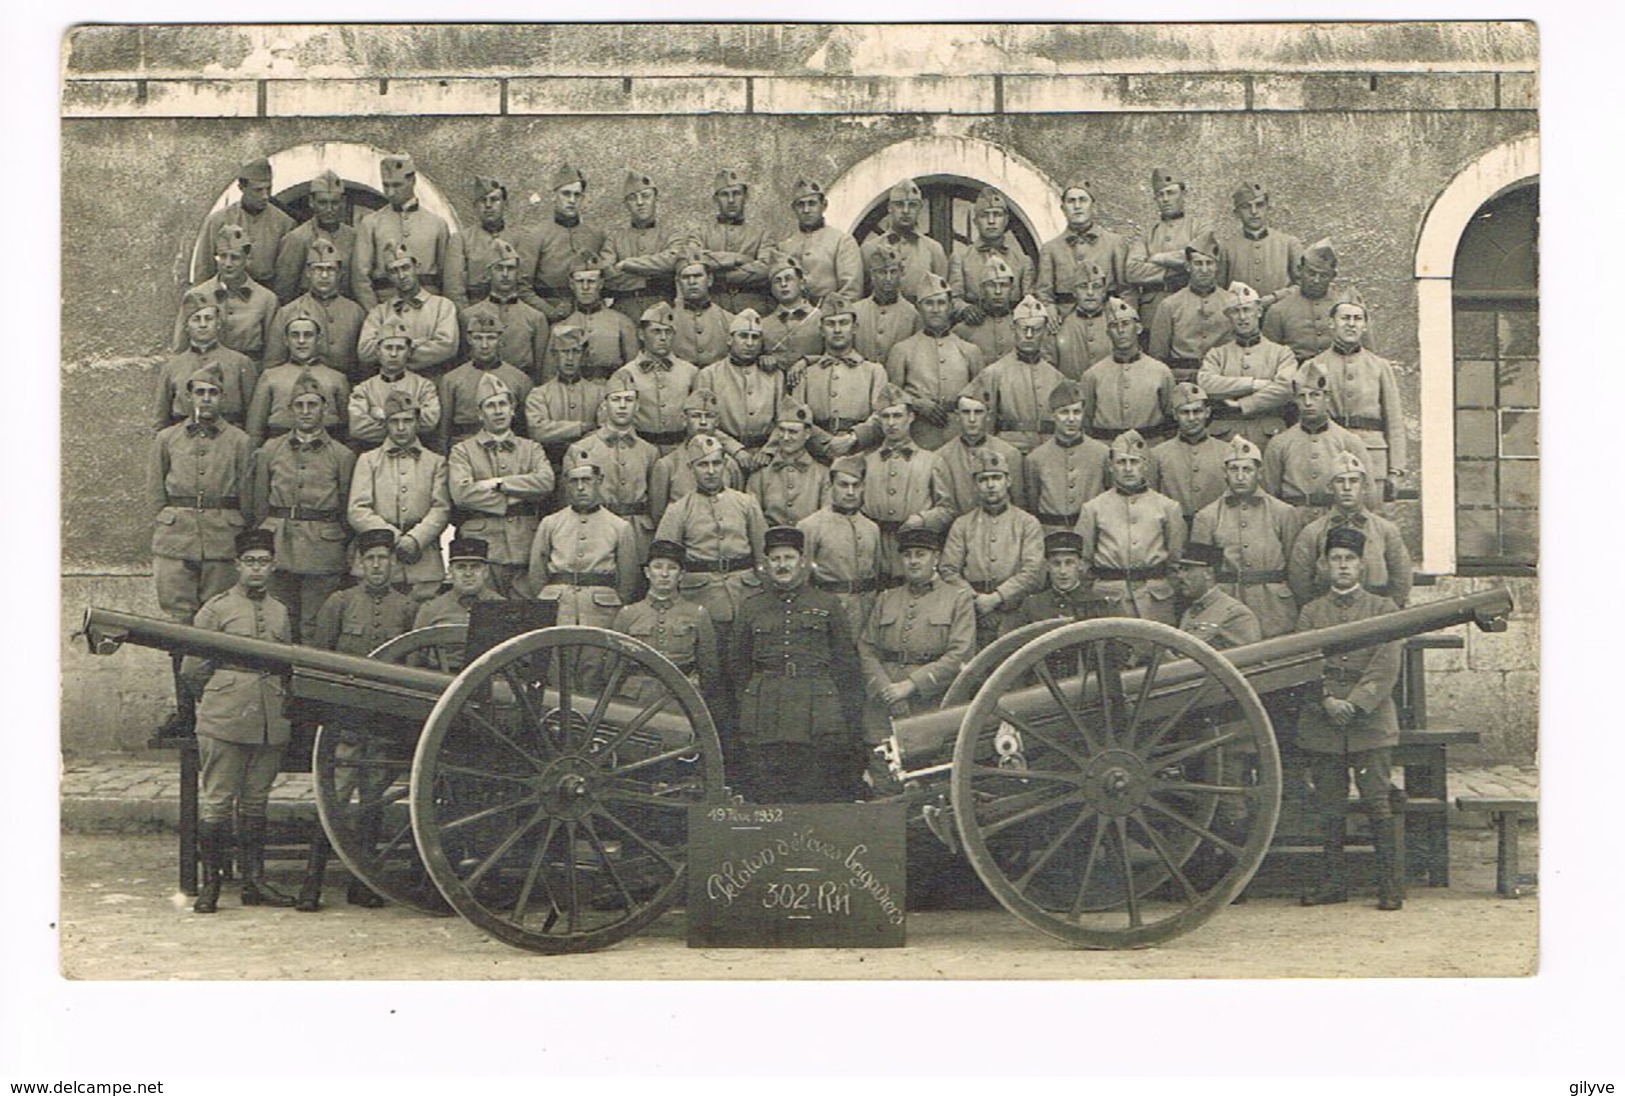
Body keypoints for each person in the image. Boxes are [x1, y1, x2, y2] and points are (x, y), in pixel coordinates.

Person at [298, 527, 416, 912]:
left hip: (382, 722)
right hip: (344, 723)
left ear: (394, 564)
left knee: (371, 802)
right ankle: (312, 881)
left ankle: (362, 882)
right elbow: (320, 659)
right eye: (370, 560)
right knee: (334, 798)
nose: (378, 566)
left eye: (384, 559)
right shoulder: (339, 603)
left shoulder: (407, 608)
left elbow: (412, 663)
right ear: (359, 564)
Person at [180, 528, 297, 913]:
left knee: (255, 803)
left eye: (264, 562)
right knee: (216, 803)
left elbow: (286, 665)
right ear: (237, 566)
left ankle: (254, 882)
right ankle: (211, 884)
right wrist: (222, 697)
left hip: (269, 719)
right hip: (225, 718)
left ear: (274, 566)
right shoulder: (216, 609)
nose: (257, 569)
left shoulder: (280, 611)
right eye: (250, 562)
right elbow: (194, 668)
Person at [1295, 525, 1405, 911]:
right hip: (1322, 719)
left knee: (1377, 801)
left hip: (1369, 721)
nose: (1342, 566)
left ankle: (1390, 886)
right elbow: (1303, 661)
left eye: (1350, 560)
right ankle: (1333, 883)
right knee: (1330, 806)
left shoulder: (1382, 610)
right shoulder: (1311, 612)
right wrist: (1325, 699)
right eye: (1336, 560)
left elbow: (1386, 663)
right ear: (1325, 566)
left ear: (1362, 565)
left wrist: (1356, 703)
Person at [148, 364, 255, 740]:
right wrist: (169, 520)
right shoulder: (167, 439)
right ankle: (185, 713)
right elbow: (155, 492)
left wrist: (238, 531)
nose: (206, 399)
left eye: (212, 393)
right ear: (187, 396)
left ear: (221, 398)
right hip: (176, 542)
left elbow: (248, 496)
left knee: (216, 629)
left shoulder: (239, 441)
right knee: (179, 628)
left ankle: (214, 712)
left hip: (222, 541)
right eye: (199, 392)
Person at [730, 525, 865, 803]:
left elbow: (845, 663)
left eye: (789, 558)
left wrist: (840, 711)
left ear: (803, 562)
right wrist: (752, 697)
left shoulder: (827, 604)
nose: (782, 565)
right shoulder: (752, 607)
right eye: (776, 559)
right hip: (766, 705)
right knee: (768, 783)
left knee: (816, 783)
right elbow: (738, 663)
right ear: (766, 564)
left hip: (816, 705)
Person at [654, 434, 769, 734]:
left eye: (717, 463)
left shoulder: (746, 504)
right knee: (713, 679)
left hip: (745, 599)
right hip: (701, 605)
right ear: (691, 468)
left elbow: (762, 556)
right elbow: (665, 563)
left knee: (748, 674)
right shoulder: (678, 510)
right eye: (703, 464)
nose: (711, 470)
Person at [857, 526, 976, 783]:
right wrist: (886, 688)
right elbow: (866, 648)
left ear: (937, 558)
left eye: (921, 554)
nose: (913, 561)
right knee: (885, 781)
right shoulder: (886, 598)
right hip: (884, 708)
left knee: (931, 782)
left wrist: (912, 685)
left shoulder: (958, 599)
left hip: (931, 706)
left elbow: (961, 654)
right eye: (908, 555)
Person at [250, 373, 355, 643]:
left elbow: (345, 505)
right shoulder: (270, 450)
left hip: (323, 549)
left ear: (325, 409)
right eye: (299, 405)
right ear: (290, 410)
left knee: (314, 625)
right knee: (278, 621)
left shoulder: (342, 455)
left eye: (312, 405)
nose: (306, 412)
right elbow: (259, 501)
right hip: (279, 544)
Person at [447, 373, 555, 597]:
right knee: (485, 613)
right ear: (480, 413)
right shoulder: (463, 451)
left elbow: (546, 482)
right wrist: (517, 496)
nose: (498, 411)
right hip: (483, 547)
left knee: (526, 615)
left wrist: (499, 483)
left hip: (525, 545)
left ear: (512, 409)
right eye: (491, 406)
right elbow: (462, 493)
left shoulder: (531, 448)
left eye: (503, 404)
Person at [1191, 434, 1304, 639]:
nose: (1241, 476)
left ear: (1259, 472)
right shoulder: (1206, 517)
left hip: (1274, 608)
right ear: (1225, 472)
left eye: (1247, 469)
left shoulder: (1284, 513)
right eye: (1234, 469)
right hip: (1228, 608)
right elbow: (1202, 576)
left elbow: (1296, 569)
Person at [346, 390, 452, 604]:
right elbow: (358, 510)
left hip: (423, 559)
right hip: (379, 555)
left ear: (417, 422)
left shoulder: (436, 462)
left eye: (407, 421)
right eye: (395, 421)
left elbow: (441, 509)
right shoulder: (368, 461)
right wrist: (393, 538)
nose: (401, 428)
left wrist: (415, 539)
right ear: (386, 423)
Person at [1074, 429, 1186, 626]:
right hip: (1110, 601)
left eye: (1134, 462)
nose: (1128, 468)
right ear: (1110, 466)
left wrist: (1166, 591)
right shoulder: (1093, 509)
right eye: (1121, 462)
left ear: (1145, 465)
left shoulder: (1168, 507)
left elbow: (1176, 562)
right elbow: (1083, 562)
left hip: (1155, 601)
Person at [939, 447, 1046, 648]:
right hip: (972, 613)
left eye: (996, 478)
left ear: (1008, 481)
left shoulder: (1027, 523)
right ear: (975, 485)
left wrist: (997, 598)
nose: (990, 485)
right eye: (983, 479)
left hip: (1015, 613)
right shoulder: (962, 524)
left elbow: (1033, 572)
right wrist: (977, 600)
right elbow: (948, 570)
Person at [1309, 285, 1408, 496]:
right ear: (1332, 323)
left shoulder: (1380, 367)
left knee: (1372, 522)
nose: (1351, 324)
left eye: (1357, 319)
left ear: (1365, 326)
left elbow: (1395, 422)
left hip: (1373, 457)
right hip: (1330, 452)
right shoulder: (1315, 365)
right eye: (1345, 318)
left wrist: (1396, 470)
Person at [525, 445, 640, 621]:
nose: (580, 487)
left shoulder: (619, 527)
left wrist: (614, 603)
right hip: (558, 608)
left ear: (599, 480)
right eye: (574, 481)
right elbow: (536, 573)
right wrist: (546, 601)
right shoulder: (550, 523)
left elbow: (628, 579)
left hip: (601, 611)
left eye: (586, 480)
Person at [1288, 451, 1414, 607]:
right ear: (1330, 487)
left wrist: (1385, 611)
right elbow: (1300, 581)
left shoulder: (1386, 530)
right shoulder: (1313, 532)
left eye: (1353, 481)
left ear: (1365, 487)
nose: (1347, 488)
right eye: (1340, 481)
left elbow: (1401, 578)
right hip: (1329, 614)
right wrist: (1320, 611)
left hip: (1376, 613)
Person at [611, 540, 722, 707]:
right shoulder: (628, 614)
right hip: (636, 697)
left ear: (681, 575)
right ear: (647, 572)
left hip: (682, 696)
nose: (664, 574)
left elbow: (709, 668)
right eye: (658, 567)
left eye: (672, 568)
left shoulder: (698, 614)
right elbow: (613, 666)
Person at [885, 273, 984, 452]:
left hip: (958, 439)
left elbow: (981, 402)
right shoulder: (902, 350)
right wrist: (916, 404)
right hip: (918, 438)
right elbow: (892, 397)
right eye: (929, 303)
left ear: (951, 307)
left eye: (941, 303)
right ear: (919, 308)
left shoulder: (970, 351)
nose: (935, 309)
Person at [1262, 359, 1373, 518]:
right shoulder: (1279, 443)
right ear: (1295, 400)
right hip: (1293, 519)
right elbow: (1270, 495)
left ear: (1327, 397)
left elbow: (1367, 494)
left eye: (1315, 395)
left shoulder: (1349, 441)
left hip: (1336, 520)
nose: (1308, 402)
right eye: (1301, 396)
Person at [1197, 281, 1298, 450]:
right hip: (1225, 436)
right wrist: (1253, 384)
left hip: (1268, 435)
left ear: (1259, 311)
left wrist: (1245, 404)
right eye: (1235, 311)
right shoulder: (1217, 354)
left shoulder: (1281, 353)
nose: (1242, 317)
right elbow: (1205, 383)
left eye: (1247, 310)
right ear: (1229, 317)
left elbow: (1286, 388)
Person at [863, 385, 946, 587]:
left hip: (914, 547)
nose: (891, 423)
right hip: (876, 551)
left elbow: (947, 508)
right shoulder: (866, 461)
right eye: (886, 417)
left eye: (897, 416)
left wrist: (921, 519)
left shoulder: (932, 461)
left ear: (910, 417)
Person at [576, 375, 661, 563]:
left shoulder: (649, 451)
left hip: (638, 534)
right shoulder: (582, 449)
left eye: (628, 400)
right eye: (616, 399)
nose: (622, 406)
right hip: (597, 531)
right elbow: (571, 501)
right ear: (605, 405)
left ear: (637, 406)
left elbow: (657, 503)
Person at [352, 153, 451, 312]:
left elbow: (447, 278)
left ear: (412, 181)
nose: (390, 192)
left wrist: (439, 313)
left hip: (428, 310)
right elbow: (360, 277)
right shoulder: (371, 224)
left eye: (397, 185)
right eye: (386, 185)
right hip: (386, 308)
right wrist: (376, 314)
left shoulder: (437, 224)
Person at [798, 455, 884, 636]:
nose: (851, 492)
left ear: (863, 488)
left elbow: (875, 573)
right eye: (843, 485)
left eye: (856, 485)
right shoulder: (811, 526)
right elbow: (803, 581)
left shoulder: (871, 528)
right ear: (831, 487)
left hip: (867, 615)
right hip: (829, 615)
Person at [793, 293, 889, 450]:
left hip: (860, 452)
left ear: (854, 328)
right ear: (822, 330)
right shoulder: (806, 373)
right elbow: (797, 418)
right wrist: (826, 442)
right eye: (830, 324)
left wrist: (853, 438)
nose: (837, 330)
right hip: (818, 454)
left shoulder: (874, 372)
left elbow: (881, 416)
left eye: (843, 323)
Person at [173, 224, 279, 364]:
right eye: (223, 256)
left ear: (247, 259)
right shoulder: (197, 295)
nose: (228, 264)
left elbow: (273, 353)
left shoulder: (266, 299)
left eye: (235, 258)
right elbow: (181, 348)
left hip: (249, 373)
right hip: (205, 374)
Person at [245, 307, 351, 447]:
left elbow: (346, 429)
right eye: (295, 335)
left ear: (318, 339)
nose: (301, 341)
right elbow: (255, 430)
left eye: (308, 335)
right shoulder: (270, 377)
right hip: (280, 451)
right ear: (286, 340)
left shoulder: (337, 378)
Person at [975, 294, 1067, 453]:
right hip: (1009, 452)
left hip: (1048, 453)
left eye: (1036, 330)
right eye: (1024, 329)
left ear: (1045, 332)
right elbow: (985, 425)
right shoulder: (994, 373)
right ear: (1013, 329)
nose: (1029, 336)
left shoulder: (1056, 377)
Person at [154, 293, 259, 431]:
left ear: (218, 324)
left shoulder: (240, 363)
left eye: (208, 319)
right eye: (196, 319)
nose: (202, 325)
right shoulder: (172, 367)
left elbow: (253, 414)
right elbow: (161, 418)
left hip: (227, 438)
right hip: (183, 440)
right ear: (186, 326)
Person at [266, 238, 366, 382]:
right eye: (318, 269)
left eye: (330, 269)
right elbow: (273, 362)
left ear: (340, 274)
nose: (324, 276)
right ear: (308, 272)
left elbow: (363, 365)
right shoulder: (288, 311)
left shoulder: (355, 312)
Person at [607, 302, 700, 453]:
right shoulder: (625, 374)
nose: (663, 338)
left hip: (681, 450)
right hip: (639, 450)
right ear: (642, 334)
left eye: (668, 332)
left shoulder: (690, 372)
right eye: (656, 332)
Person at [1079, 296, 1175, 443]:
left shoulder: (1161, 372)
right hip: (1107, 448)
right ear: (1108, 333)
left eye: (1126, 324)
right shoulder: (1093, 375)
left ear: (1138, 328)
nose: (1121, 330)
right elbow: (1087, 420)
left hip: (1149, 447)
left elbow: (1170, 418)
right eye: (1114, 326)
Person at [356, 245, 460, 380]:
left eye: (406, 268)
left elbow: (447, 347)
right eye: (394, 271)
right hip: (391, 384)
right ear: (388, 276)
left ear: (416, 267)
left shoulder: (442, 306)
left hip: (432, 380)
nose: (401, 276)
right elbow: (364, 352)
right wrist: (421, 343)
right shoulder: (379, 312)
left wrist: (391, 352)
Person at [926, 391, 1028, 526]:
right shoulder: (941, 456)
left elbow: (1019, 504)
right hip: (958, 533)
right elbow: (943, 506)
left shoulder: (1009, 453)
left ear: (987, 416)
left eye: (978, 412)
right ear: (957, 416)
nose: (972, 419)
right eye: (966, 412)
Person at [439, 302, 532, 450]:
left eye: (490, 338)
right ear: (469, 340)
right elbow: (444, 429)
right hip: (464, 448)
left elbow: (524, 429)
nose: (484, 345)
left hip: (506, 448)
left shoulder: (520, 380)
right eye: (478, 338)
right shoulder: (451, 380)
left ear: (500, 340)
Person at [696, 308, 787, 458]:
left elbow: (783, 419)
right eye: (743, 336)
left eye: (755, 337)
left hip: (765, 454)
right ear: (730, 340)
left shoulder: (775, 375)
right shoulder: (709, 375)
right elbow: (703, 422)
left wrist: (768, 451)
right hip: (724, 454)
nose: (750, 343)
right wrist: (735, 450)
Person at [192, 157, 294, 290]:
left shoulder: (284, 223)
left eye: (268, 189)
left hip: (264, 297)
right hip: (224, 295)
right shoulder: (218, 221)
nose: (265, 196)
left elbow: (286, 273)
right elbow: (204, 267)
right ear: (242, 188)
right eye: (258, 190)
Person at [1125, 166, 1205, 333]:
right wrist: (1168, 273)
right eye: (1160, 195)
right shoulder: (1147, 234)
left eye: (1171, 193)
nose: (1166, 199)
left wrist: (1159, 258)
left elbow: (1200, 257)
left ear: (1184, 194)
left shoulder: (1199, 227)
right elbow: (1132, 271)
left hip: (1189, 306)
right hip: (1153, 311)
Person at [649, 388, 746, 525]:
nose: (703, 422)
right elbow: (658, 515)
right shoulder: (667, 465)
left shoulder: (729, 465)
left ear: (717, 422)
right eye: (696, 416)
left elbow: (738, 508)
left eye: (709, 416)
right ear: (684, 420)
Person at [1023, 379, 1110, 530]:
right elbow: (1033, 504)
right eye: (1064, 412)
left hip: (1091, 531)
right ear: (1052, 415)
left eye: (1076, 412)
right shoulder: (1035, 458)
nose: (1071, 419)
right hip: (1051, 533)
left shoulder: (1102, 453)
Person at [348, 316, 444, 451]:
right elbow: (358, 428)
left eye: (399, 348)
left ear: (409, 352)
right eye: (388, 348)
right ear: (378, 351)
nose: (393, 354)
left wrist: (380, 415)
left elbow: (430, 422)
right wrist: (409, 422)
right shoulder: (364, 389)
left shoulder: (424, 386)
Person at [527, 163, 608, 323]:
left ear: (583, 198)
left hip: (590, 316)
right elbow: (523, 286)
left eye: (577, 195)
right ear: (554, 195)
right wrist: (550, 312)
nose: (571, 200)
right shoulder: (537, 235)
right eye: (566, 194)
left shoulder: (596, 235)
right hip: (551, 314)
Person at [1036, 179, 1133, 311]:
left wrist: (1123, 315)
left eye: (1083, 200)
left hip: (1107, 318)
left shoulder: (1115, 243)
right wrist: (1049, 308)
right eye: (1071, 201)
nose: (1077, 206)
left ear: (1093, 206)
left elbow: (1127, 290)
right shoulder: (1050, 248)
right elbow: (1044, 292)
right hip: (1066, 321)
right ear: (1063, 208)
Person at [1147, 231, 1232, 382]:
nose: (1204, 270)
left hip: (1222, 377)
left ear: (1217, 266)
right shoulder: (1170, 305)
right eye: (1198, 263)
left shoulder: (1232, 302)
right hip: (1181, 378)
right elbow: (1157, 356)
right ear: (1188, 266)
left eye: (1209, 263)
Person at [603, 170, 685, 324]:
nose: (640, 203)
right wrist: (653, 273)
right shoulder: (615, 239)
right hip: (624, 311)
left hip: (663, 309)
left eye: (646, 196)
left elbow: (673, 261)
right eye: (633, 198)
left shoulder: (671, 235)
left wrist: (627, 265)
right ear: (626, 204)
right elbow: (608, 275)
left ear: (656, 198)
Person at [444, 175, 536, 309]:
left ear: (505, 204)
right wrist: (468, 319)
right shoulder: (461, 240)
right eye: (482, 201)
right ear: (475, 206)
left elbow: (524, 285)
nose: (488, 205)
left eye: (494, 200)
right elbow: (454, 290)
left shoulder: (520, 239)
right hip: (475, 316)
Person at [948, 186, 1035, 323]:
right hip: (974, 329)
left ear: (1006, 220)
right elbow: (952, 299)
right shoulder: (961, 258)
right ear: (976, 221)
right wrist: (965, 309)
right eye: (984, 215)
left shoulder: (1023, 262)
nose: (991, 221)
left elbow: (1030, 302)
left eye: (997, 215)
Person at [1148, 381, 1229, 523]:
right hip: (1174, 527)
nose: (1192, 418)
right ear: (1174, 414)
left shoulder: (1227, 451)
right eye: (1185, 412)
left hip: (1216, 527)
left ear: (1207, 412)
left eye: (1197, 411)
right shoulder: (1158, 454)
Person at [524, 325, 605, 466]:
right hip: (550, 463)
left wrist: (556, 431)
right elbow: (537, 431)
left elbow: (604, 430)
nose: (570, 358)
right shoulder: (539, 394)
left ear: (584, 355)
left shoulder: (598, 393)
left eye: (576, 352)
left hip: (589, 463)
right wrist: (581, 428)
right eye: (564, 352)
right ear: (554, 355)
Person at [273, 169, 356, 305]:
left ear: (343, 202)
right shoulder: (297, 238)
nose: (329, 209)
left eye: (334, 203)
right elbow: (284, 290)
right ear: (312, 202)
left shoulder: (353, 236)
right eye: (323, 203)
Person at [775, 177, 862, 304]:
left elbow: (851, 291)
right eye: (801, 205)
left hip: (831, 317)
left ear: (824, 205)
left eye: (812, 203)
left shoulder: (842, 241)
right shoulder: (784, 246)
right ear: (793, 209)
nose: (806, 210)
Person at [1261, 238, 1348, 362]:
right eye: (1311, 273)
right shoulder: (1279, 310)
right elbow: (1269, 358)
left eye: (1323, 275)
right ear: (1300, 270)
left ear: (1333, 276)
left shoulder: (1345, 308)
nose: (1316, 280)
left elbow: (1364, 354)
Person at [861, 178, 947, 302]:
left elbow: (942, 295)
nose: (906, 211)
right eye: (900, 204)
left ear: (920, 208)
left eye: (912, 205)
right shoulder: (869, 249)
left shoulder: (933, 249)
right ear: (890, 207)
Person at [476, 238, 551, 380]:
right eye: (499, 268)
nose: (505, 274)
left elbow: (540, 367)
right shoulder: (470, 316)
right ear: (488, 273)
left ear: (518, 273)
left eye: (510, 269)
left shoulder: (535, 318)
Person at [699, 168, 771, 316]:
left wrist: (720, 276)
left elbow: (765, 269)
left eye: (737, 194)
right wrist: (738, 259)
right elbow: (695, 261)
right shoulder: (701, 234)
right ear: (715, 199)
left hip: (752, 309)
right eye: (725, 195)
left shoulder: (762, 235)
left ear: (746, 196)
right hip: (713, 309)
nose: (731, 200)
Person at [1216, 180, 1303, 300]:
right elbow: (1218, 290)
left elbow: (1302, 285)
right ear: (1236, 213)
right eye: (1246, 207)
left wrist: (1275, 297)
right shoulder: (1226, 248)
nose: (1254, 212)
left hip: (1280, 314)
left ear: (1269, 208)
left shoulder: (1289, 244)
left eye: (1259, 205)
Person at [559, 251, 638, 379]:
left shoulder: (622, 322)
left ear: (601, 284)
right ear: (572, 285)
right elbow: (550, 375)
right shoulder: (562, 324)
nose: (585, 287)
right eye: (580, 281)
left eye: (591, 281)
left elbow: (633, 370)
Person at [1172, 540, 1263, 650]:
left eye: (1187, 570)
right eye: (1180, 570)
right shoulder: (1190, 611)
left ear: (1208, 574)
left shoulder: (1236, 614)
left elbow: (1248, 658)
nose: (1180, 576)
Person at [746, 403, 826, 525]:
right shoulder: (761, 472)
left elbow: (825, 520)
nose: (786, 437)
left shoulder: (823, 474)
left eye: (793, 432)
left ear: (807, 433)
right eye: (782, 430)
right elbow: (753, 519)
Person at [1017, 529, 1112, 625]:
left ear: (1080, 565)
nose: (1063, 571)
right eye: (1056, 564)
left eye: (1069, 563)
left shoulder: (1100, 603)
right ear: (1047, 566)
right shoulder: (1033, 605)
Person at [853, 242, 922, 366]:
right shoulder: (856, 311)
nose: (888, 278)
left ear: (901, 273)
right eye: (882, 272)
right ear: (872, 274)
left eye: (893, 272)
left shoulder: (912, 315)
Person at [413, 537, 504, 629]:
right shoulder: (431, 609)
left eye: (475, 567)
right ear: (450, 571)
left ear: (486, 571)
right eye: (461, 567)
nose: (468, 574)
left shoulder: (502, 606)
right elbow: (415, 642)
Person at [669, 248, 735, 367]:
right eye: (685, 277)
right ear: (678, 282)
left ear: (709, 280)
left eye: (698, 276)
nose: (692, 282)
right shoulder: (668, 321)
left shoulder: (728, 320)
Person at [760, 252, 825, 373]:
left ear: (802, 284)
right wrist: (763, 359)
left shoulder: (820, 318)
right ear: (771, 289)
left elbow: (834, 356)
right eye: (777, 281)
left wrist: (807, 361)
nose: (783, 284)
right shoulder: (764, 324)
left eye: (788, 279)